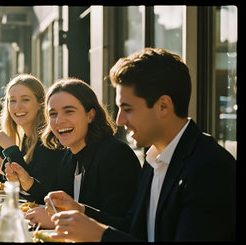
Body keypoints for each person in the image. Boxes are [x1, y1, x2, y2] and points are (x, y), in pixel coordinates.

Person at [45, 48, 236, 242]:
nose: (119, 120)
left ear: (163, 106)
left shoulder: (210, 168)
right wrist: (81, 211)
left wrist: (101, 236)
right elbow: (134, 230)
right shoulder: (154, 160)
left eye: (127, 109)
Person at [25, 78, 141, 228]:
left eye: (69, 111)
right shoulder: (69, 157)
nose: (59, 120)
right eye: (53, 114)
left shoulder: (116, 155)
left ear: (90, 115)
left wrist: (58, 221)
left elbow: (123, 226)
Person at [0, 74, 66, 203]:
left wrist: (10, 148)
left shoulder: (50, 139)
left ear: (40, 103)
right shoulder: (26, 138)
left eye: (25, 99)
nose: (18, 106)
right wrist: (4, 168)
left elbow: (39, 193)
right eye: (12, 101)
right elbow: (27, 177)